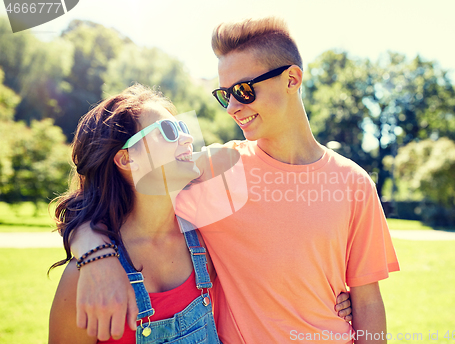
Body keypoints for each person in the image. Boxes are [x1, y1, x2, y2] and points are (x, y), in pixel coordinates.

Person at [70, 17, 397, 343]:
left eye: (243, 91)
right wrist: (96, 257)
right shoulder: (214, 171)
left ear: (292, 79)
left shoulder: (354, 183)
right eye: (225, 94)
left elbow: (367, 301)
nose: (232, 107)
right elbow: (100, 198)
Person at [48, 85, 222, 343]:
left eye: (183, 127)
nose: (187, 139)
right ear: (127, 159)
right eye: (169, 131)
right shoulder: (85, 278)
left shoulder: (209, 239)